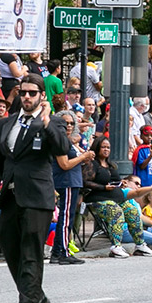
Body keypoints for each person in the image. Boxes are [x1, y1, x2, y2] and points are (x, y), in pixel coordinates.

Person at [0, 74, 72, 303]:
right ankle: (35, 296)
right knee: (7, 242)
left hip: (37, 196)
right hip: (10, 195)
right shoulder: (7, 122)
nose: (27, 97)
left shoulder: (51, 122)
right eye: (23, 93)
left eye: (33, 93)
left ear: (41, 95)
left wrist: (46, 123)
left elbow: (62, 148)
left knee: (30, 252)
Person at [81, 135, 152, 259]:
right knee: (115, 210)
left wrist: (120, 183)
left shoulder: (111, 165)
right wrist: (104, 187)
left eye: (108, 147)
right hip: (98, 198)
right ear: (97, 148)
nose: (106, 150)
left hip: (115, 196)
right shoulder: (92, 164)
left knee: (132, 210)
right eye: (103, 147)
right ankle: (116, 246)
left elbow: (115, 180)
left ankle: (140, 244)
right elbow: (85, 182)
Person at [51, 111, 94, 265]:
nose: (68, 126)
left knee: (68, 217)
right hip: (66, 181)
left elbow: (75, 160)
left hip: (73, 181)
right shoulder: (60, 141)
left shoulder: (69, 141)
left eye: (71, 123)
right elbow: (64, 164)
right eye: (65, 123)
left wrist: (85, 156)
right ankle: (63, 252)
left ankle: (56, 252)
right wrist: (83, 157)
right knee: (65, 218)